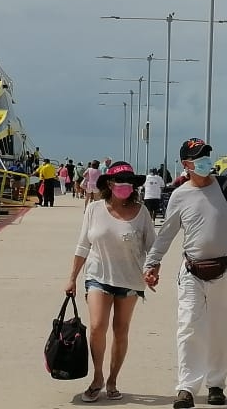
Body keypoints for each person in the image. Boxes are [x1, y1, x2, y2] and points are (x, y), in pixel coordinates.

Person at [142, 138, 227, 408]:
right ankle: (186, 387)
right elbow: (166, 235)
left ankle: (216, 384)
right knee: (188, 327)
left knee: (222, 329)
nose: (205, 162)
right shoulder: (179, 195)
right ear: (186, 165)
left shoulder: (226, 186)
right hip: (192, 271)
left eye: (207, 156)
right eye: (199, 158)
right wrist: (152, 263)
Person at [64, 162, 155, 403]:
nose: (124, 185)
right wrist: (72, 277)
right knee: (96, 327)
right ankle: (97, 377)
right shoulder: (94, 209)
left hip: (130, 280)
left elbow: (152, 247)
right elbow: (83, 245)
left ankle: (113, 380)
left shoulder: (142, 212)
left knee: (121, 330)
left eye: (129, 181)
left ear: (134, 186)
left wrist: (152, 270)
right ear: (109, 184)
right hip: (98, 276)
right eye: (119, 181)